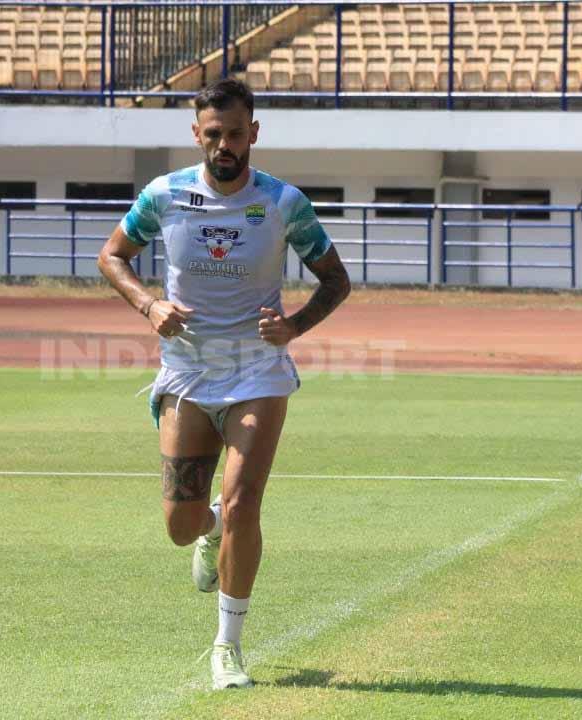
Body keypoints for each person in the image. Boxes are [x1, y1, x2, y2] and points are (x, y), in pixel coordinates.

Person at [97, 77, 351, 690]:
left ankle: (228, 647)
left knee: (244, 502)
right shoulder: (164, 195)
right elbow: (112, 256)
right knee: (181, 524)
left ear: (253, 133)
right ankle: (208, 531)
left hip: (258, 373)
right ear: (197, 135)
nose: (224, 145)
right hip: (186, 374)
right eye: (213, 134)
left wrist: (293, 326)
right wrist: (148, 306)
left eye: (235, 133)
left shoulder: (284, 203)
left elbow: (335, 280)